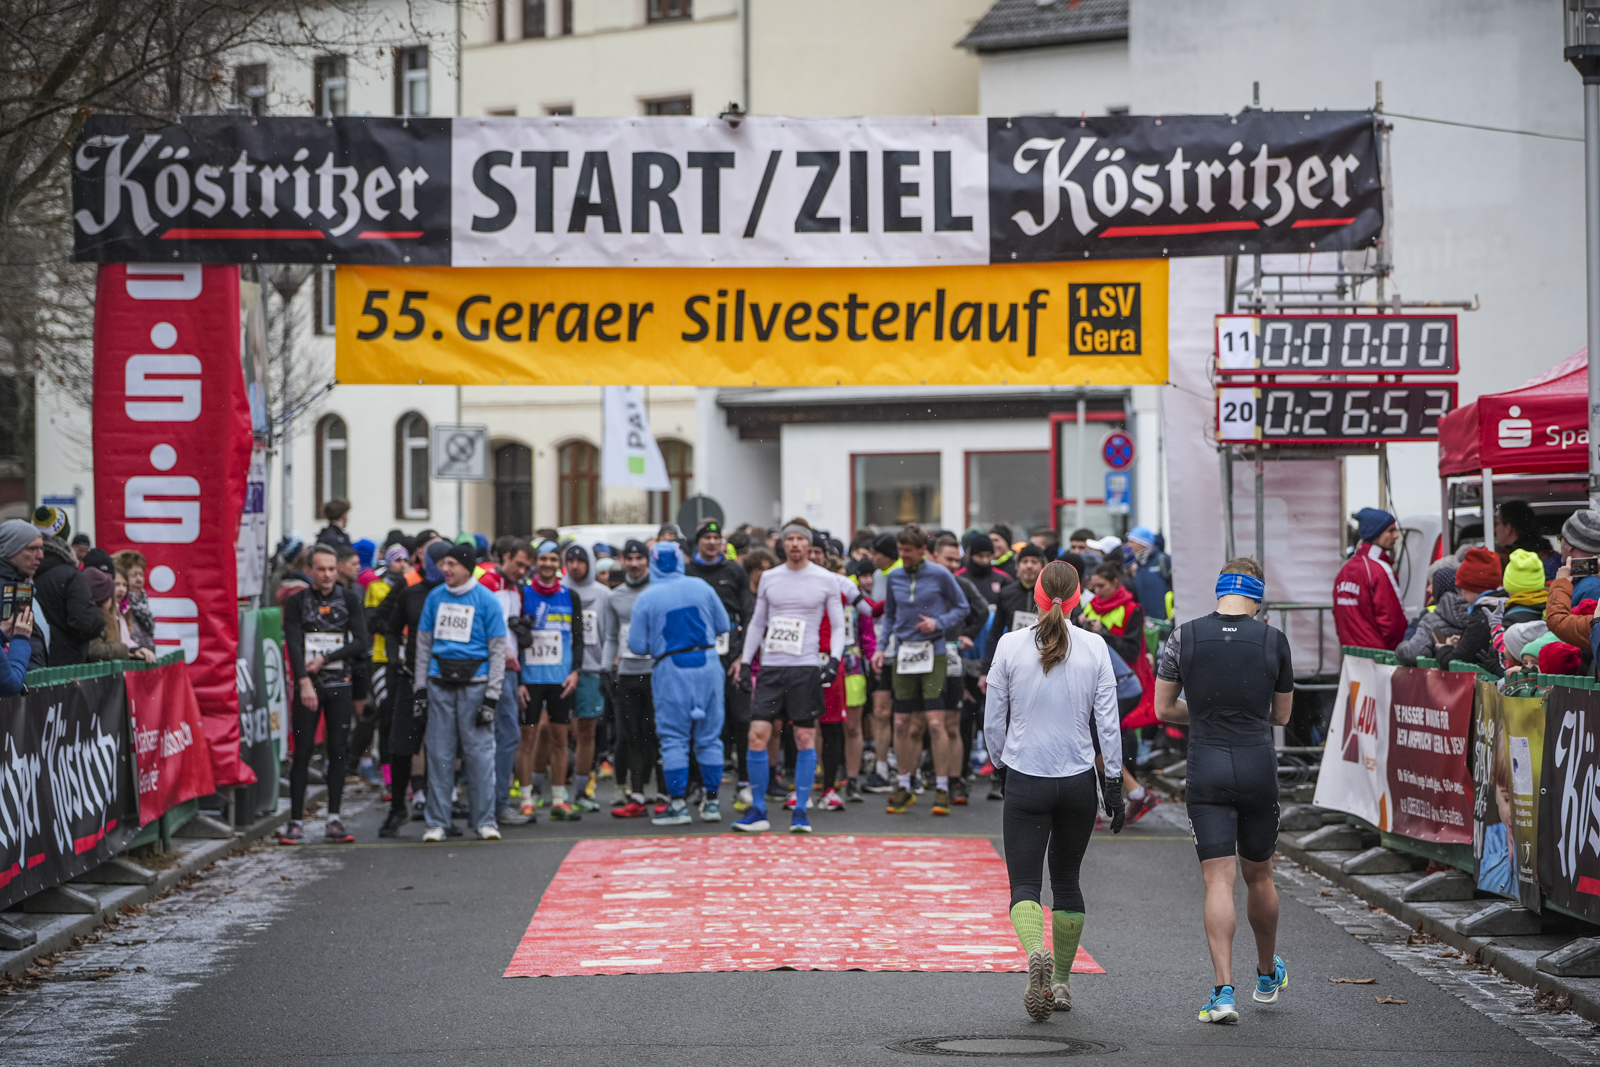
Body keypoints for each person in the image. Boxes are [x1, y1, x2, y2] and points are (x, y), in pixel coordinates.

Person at [1154, 557, 1295, 1025]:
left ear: (1220, 591)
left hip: (1207, 766)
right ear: (1258, 598)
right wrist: (1243, 714)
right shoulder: (1274, 640)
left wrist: (1208, 715)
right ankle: (1267, 974)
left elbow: (1163, 709)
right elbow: (1281, 716)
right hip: (1257, 765)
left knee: (1219, 880)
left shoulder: (1185, 636)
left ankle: (1222, 992)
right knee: (1261, 877)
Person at [985, 559, 1122, 1021]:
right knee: (1067, 882)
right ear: (1079, 598)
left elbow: (993, 719)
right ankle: (1061, 981)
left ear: (1037, 596)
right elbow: (1108, 722)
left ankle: (1034, 952)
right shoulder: (1095, 646)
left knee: (1025, 883)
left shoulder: (1009, 645)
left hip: (1027, 774)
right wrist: (1114, 781)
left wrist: (999, 763)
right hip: (1078, 778)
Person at [734, 519, 845, 834]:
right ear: (783, 544)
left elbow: (838, 624)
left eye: (800, 539)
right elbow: (758, 622)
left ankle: (800, 812)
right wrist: (746, 661)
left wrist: (834, 659)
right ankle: (758, 810)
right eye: (790, 539)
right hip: (772, 667)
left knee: (804, 737)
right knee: (757, 735)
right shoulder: (770, 577)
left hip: (805, 667)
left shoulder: (826, 579)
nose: (795, 544)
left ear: (809, 545)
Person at [630, 541, 731, 825]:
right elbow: (724, 625)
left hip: (671, 669)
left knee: (674, 739)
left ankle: (677, 805)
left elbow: (636, 645)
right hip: (708, 664)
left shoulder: (646, 598)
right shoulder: (702, 587)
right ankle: (712, 803)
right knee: (709, 737)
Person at [873, 524, 970, 817]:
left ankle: (942, 788)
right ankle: (904, 785)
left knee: (935, 723)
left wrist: (938, 623)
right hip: (904, 653)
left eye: (908, 551)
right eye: (900, 550)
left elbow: (962, 607)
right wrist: (880, 647)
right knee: (901, 722)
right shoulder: (894, 577)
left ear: (922, 551)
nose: (902, 555)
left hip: (933, 652)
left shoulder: (940, 574)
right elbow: (890, 615)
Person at [414, 541, 508, 842]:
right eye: (443, 563)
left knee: (480, 757)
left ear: (467, 567)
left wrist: (492, 696)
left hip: (476, 686)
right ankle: (437, 822)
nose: (444, 568)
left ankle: (484, 821)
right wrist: (419, 689)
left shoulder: (487, 600)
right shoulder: (435, 598)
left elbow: (498, 651)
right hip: (439, 684)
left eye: (451, 564)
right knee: (439, 754)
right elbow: (423, 646)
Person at [280, 544, 370, 845]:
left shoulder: (349, 599)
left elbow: (361, 641)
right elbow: (293, 643)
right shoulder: (298, 601)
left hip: (339, 684)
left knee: (337, 750)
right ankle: (295, 821)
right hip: (309, 686)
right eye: (321, 569)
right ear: (310, 571)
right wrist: (304, 680)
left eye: (332, 569)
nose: (328, 575)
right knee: (303, 751)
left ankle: (334, 818)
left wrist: (328, 657)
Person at [373, 540, 446, 836]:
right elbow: (386, 625)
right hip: (411, 676)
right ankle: (398, 808)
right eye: (437, 561)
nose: (442, 567)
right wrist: (394, 659)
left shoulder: (458, 595)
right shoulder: (409, 590)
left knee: (445, 747)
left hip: (448, 680)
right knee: (402, 744)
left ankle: (441, 810)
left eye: (447, 562)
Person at [684, 520, 755, 808]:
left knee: (741, 720)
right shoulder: (688, 572)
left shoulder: (734, 571)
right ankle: (699, 784)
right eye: (707, 538)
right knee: (699, 721)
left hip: (731, 657)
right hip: (697, 658)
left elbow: (749, 614)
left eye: (716, 538)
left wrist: (743, 657)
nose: (712, 542)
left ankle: (744, 783)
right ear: (698, 542)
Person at [1080, 561, 1157, 822]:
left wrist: (1101, 633)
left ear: (1115, 582)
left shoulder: (1131, 609)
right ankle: (1132, 794)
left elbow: (1131, 651)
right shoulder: (1091, 606)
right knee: (1099, 745)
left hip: (1122, 684)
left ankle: (1114, 800)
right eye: (1093, 587)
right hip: (1099, 686)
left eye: (1102, 586)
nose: (1097, 592)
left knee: (1100, 745)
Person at [516, 540, 585, 821]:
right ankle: (525, 800)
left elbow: (578, 638)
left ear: (560, 564)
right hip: (530, 678)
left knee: (560, 738)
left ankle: (558, 800)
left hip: (560, 678)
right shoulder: (523, 593)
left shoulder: (571, 596)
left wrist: (576, 671)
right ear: (536, 562)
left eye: (553, 560)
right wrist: (518, 680)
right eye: (543, 559)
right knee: (528, 738)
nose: (548, 564)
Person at [477, 537, 534, 826]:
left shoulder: (514, 588)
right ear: (505, 557)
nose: (522, 571)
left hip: (509, 672)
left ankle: (495, 802)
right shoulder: (488, 584)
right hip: (492, 669)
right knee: (499, 734)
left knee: (506, 734)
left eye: (526, 568)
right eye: (519, 564)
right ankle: (494, 804)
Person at [604, 541, 658, 818]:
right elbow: (611, 636)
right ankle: (636, 793)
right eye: (630, 558)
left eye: (640, 558)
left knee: (656, 734)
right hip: (627, 672)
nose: (635, 563)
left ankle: (659, 791)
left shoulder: (658, 591)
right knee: (631, 734)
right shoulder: (615, 597)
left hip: (655, 672)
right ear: (623, 561)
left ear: (647, 561)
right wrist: (605, 668)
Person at [938, 536, 991, 807]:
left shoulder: (962, 584)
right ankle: (914, 781)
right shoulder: (920, 583)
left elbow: (983, 612)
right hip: (920, 659)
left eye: (957, 561)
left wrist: (967, 634)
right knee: (917, 724)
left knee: (954, 723)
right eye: (948, 560)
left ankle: (956, 780)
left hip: (952, 659)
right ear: (934, 557)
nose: (953, 565)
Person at [564, 541, 612, 812]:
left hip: (592, 669)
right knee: (552, 730)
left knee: (586, 731)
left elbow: (609, 633)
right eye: (570, 560)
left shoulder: (603, 594)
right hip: (560, 670)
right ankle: (548, 788)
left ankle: (583, 788)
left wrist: (607, 665)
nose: (575, 566)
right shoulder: (560, 590)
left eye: (580, 561)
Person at [30, 507, 103, 666]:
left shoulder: (20, 571)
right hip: (65, 666)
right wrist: (101, 619)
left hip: (28, 662)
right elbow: (85, 623)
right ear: (65, 536)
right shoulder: (70, 575)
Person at [1333, 507, 1406, 650]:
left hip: (1350, 655)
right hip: (1379, 657)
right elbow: (1394, 624)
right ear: (1375, 534)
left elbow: (1339, 617)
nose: (1396, 536)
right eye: (1390, 530)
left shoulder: (1345, 569)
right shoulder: (1379, 570)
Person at [862, 533, 901, 794]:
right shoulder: (877, 576)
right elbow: (877, 615)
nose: (871, 557)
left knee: (905, 716)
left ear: (887, 555)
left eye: (875, 553)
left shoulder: (902, 573)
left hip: (906, 652)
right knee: (880, 711)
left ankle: (909, 770)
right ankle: (882, 767)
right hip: (882, 651)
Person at [1440, 547, 1504, 675]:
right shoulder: (1502, 606)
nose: (1462, 594)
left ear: (1472, 587)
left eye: (1462, 588)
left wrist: (1444, 649)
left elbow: (1458, 659)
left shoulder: (1482, 616)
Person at [1396, 566, 1469, 666]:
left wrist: (1400, 648)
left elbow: (1413, 653)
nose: (1429, 590)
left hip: (1440, 675)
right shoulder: (1477, 614)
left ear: (1438, 590)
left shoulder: (1431, 620)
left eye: (1432, 585)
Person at [0, 519, 46, 669]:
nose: (41, 555)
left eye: (41, 548)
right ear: (10, 550)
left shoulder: (21, 584)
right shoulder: (6, 588)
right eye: (32, 549)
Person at [1124, 526, 1173, 622]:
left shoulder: (1163, 560)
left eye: (1132, 541)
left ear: (1143, 543)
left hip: (1163, 622)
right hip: (1141, 622)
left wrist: (1172, 617)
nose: (1128, 545)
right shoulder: (1132, 565)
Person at [112, 550, 156, 652]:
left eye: (141, 574)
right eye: (133, 575)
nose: (139, 579)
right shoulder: (119, 607)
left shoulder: (142, 605)